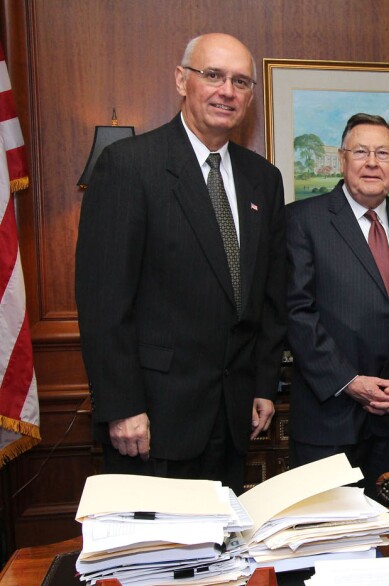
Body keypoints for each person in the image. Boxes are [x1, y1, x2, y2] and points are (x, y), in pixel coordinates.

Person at [75, 33, 286, 494]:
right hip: (152, 421)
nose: (227, 91)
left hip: (233, 419)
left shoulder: (263, 180)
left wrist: (264, 386)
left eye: (240, 81)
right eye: (213, 75)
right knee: (155, 560)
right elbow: (103, 304)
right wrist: (122, 406)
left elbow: (269, 298)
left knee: (222, 557)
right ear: (181, 80)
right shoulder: (129, 166)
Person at [286, 113, 389, 496]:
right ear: (342, 159)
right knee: (323, 541)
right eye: (361, 151)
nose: (372, 162)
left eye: (382, 152)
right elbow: (297, 310)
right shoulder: (302, 220)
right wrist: (349, 381)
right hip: (328, 420)